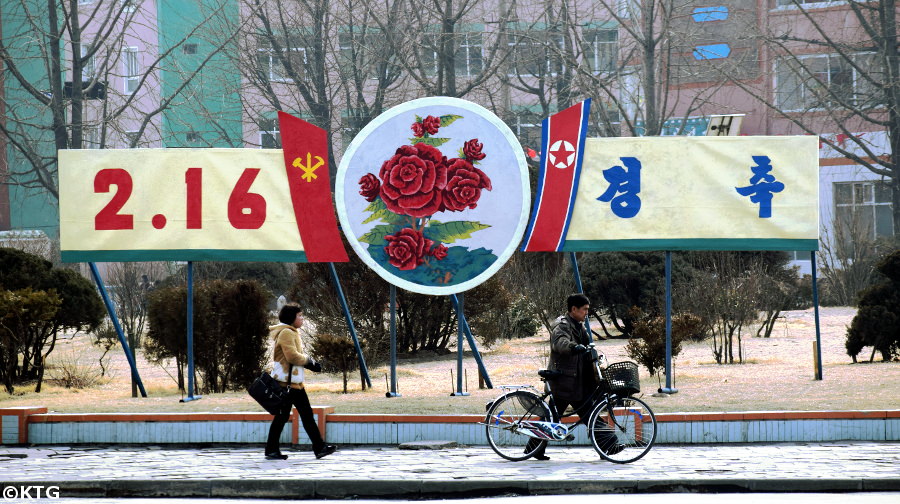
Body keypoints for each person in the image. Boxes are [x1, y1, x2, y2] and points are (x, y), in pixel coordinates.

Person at [265, 304, 337, 460]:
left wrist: (309, 363)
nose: (302, 318)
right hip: (287, 385)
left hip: (294, 383)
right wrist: (310, 362)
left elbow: (294, 357)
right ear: (292, 318)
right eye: (300, 315)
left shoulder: (291, 332)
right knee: (287, 417)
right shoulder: (286, 333)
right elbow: (292, 356)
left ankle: (319, 447)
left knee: (301, 416)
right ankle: (273, 450)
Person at [530, 293, 598, 461]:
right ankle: (609, 446)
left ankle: (534, 449)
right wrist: (574, 347)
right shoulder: (563, 325)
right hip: (564, 382)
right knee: (555, 417)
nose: (586, 313)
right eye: (584, 310)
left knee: (586, 413)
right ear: (574, 309)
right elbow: (560, 343)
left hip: (574, 381)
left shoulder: (578, 325)